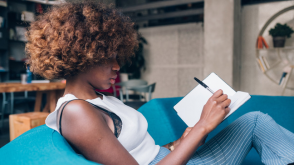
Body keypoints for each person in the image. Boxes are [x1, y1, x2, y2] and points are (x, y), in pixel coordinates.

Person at [25, 2, 294, 165]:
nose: (118, 66)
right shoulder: (76, 112)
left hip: (169, 158)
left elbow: (144, 152)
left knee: (255, 121)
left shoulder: (101, 100)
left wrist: (180, 141)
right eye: (109, 58)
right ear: (83, 56)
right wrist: (202, 126)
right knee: (256, 122)